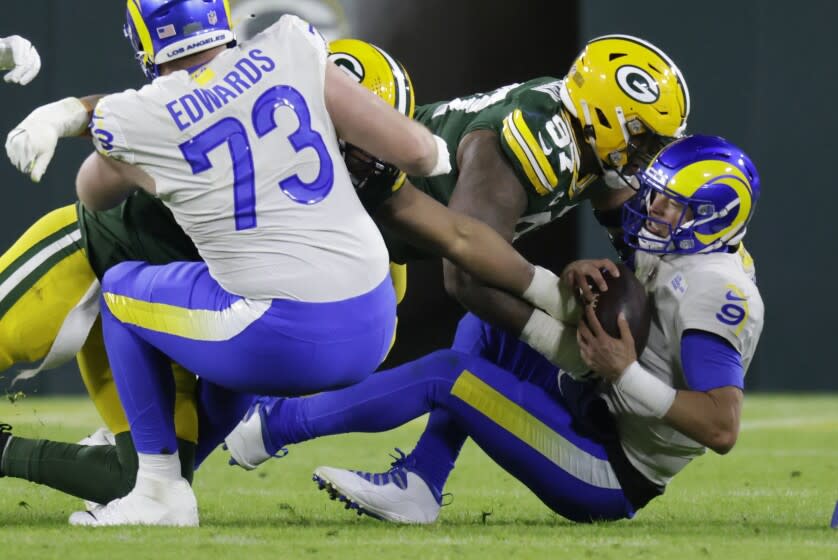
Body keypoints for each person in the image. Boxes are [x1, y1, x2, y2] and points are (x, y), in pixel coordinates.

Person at [0, 38, 556, 511]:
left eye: (372, 145)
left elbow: (454, 235)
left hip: (168, 317)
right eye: (354, 144)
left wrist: (553, 301)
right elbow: (139, 128)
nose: (364, 161)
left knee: (144, 476)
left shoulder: (357, 219)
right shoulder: (231, 120)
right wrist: (67, 113)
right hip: (91, 256)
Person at [222, 134, 764, 524]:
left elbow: (721, 428)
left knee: (449, 376)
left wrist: (624, 374)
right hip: (594, 402)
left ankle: (274, 426)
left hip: (609, 468)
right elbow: (633, 302)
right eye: (656, 196)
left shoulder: (718, 290)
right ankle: (422, 480)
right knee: (485, 325)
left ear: (712, 219)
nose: (651, 211)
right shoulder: (681, 248)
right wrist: (578, 276)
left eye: (671, 206)